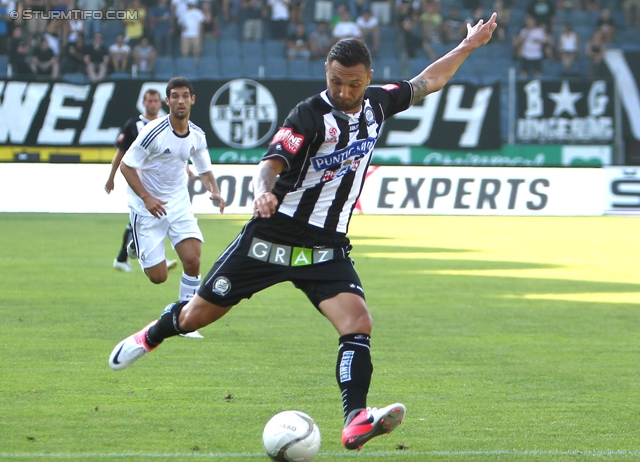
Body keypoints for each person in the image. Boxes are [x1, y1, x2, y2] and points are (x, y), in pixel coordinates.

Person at [109, 12, 498, 451]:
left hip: (327, 245)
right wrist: (262, 192)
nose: (345, 92)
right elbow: (271, 162)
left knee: (358, 323)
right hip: (272, 237)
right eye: (336, 81)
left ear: (368, 78)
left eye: (354, 83)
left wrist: (467, 46)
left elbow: (428, 81)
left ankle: (354, 420)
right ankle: (151, 335)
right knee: (194, 316)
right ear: (326, 74)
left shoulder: (378, 102)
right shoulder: (308, 115)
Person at [114, 77, 226, 333]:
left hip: (178, 205)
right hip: (147, 208)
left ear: (192, 99)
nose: (180, 100)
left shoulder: (197, 135)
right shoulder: (153, 131)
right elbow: (126, 165)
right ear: (168, 101)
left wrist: (215, 192)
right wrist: (146, 197)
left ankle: (188, 320)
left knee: (193, 260)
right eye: (174, 96)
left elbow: (204, 169)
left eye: (185, 95)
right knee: (158, 277)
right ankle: (136, 246)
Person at [106, 89, 165, 274]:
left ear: (160, 103)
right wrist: (111, 177)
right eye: (150, 100)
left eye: (156, 100)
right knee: (148, 214)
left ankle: (126, 254)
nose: (153, 104)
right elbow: (121, 153)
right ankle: (141, 250)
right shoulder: (133, 125)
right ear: (144, 103)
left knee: (152, 216)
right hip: (137, 180)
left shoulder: (165, 124)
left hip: (159, 180)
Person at [512, 14, 547, 78]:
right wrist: (527, 33)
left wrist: (538, 41)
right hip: (526, 54)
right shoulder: (524, 31)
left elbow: (544, 41)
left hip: (537, 54)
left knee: (538, 72)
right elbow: (520, 42)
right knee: (524, 72)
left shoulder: (539, 31)